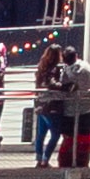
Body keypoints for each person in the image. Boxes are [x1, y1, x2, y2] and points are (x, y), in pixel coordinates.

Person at [31, 33, 69, 171]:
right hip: (52, 105)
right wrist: (64, 87)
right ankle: (45, 160)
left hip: (40, 103)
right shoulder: (56, 68)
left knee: (41, 134)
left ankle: (39, 158)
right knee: (55, 134)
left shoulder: (41, 67)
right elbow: (52, 83)